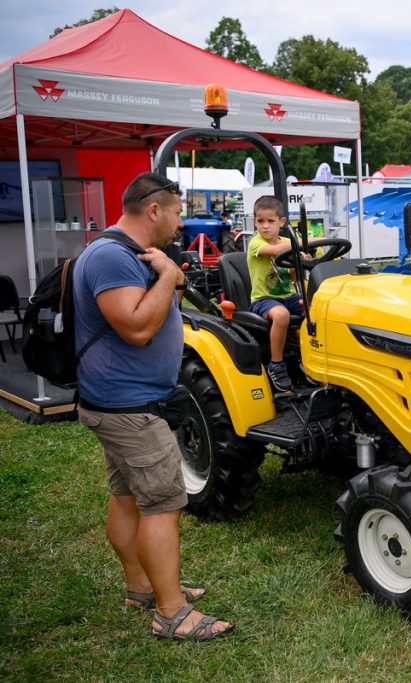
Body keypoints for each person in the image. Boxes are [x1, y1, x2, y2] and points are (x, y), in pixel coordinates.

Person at [74, 172, 233, 641]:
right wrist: (168, 275)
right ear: (154, 210)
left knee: (127, 497)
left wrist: (170, 275)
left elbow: (159, 314)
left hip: (124, 401)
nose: (182, 222)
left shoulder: (127, 253)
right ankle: (172, 613)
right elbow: (137, 327)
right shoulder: (110, 256)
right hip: (129, 407)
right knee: (162, 503)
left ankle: (141, 586)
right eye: (179, 212)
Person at [247, 195, 302, 393]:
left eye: (271, 221)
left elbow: (294, 278)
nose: (266, 226)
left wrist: (302, 260)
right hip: (264, 298)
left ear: (281, 222)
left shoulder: (288, 241)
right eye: (260, 221)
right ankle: (276, 364)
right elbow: (276, 250)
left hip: (289, 295)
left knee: (317, 310)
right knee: (281, 315)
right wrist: (303, 243)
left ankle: (309, 355)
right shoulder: (256, 243)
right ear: (254, 222)